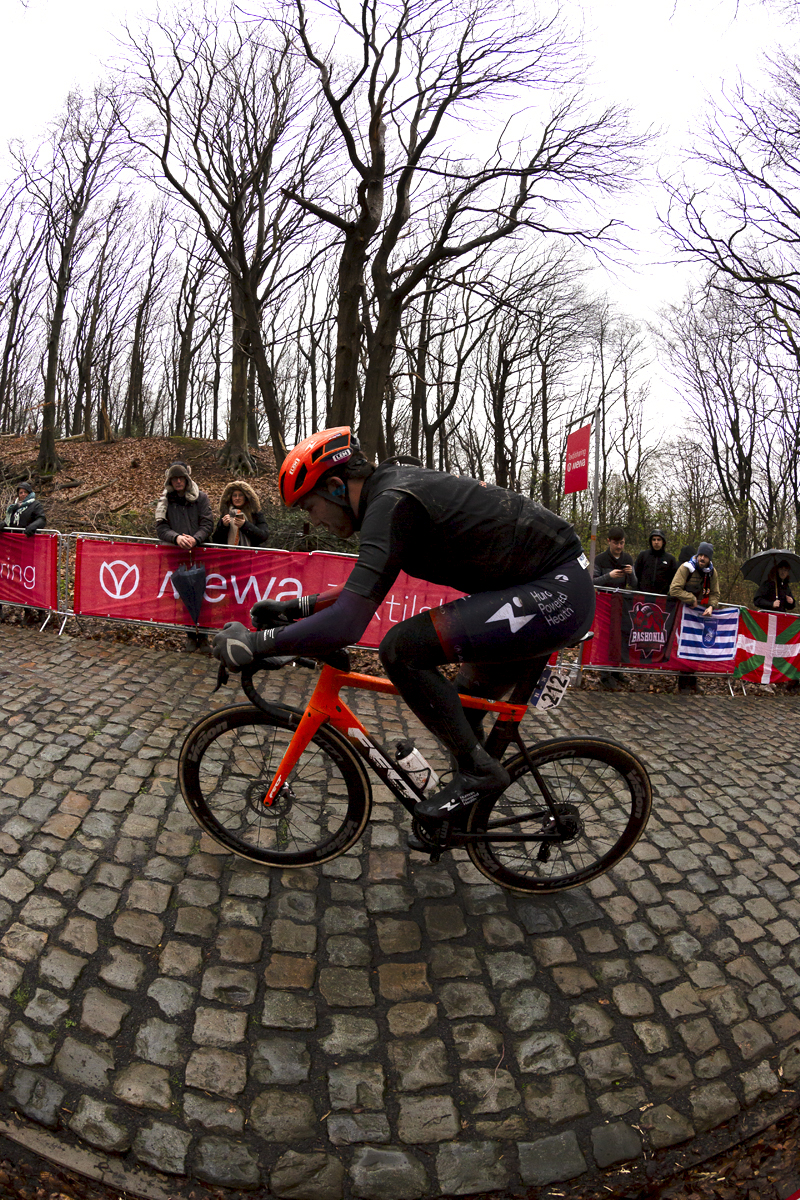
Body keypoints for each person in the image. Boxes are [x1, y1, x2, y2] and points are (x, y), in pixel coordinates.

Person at [212, 427, 595, 826]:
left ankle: (479, 772)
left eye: (310, 507)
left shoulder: (392, 501)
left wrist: (255, 644)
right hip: (541, 587)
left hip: (558, 589)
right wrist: (296, 607)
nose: (314, 521)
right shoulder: (390, 494)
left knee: (402, 649)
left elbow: (347, 623)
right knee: (461, 710)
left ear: (335, 486)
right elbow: (362, 586)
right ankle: (467, 816)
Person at [155, 462, 214, 652]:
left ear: (187, 479)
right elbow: (161, 528)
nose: (178, 481)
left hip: (200, 553)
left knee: (203, 595)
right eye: (174, 478)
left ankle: (203, 637)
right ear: (170, 480)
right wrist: (176, 537)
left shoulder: (201, 498)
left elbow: (207, 523)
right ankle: (190, 635)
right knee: (184, 596)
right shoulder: (165, 501)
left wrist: (196, 539)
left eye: (181, 478)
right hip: (177, 554)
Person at [668, 541, 720, 694]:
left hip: (700, 615)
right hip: (683, 611)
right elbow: (674, 589)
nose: (702, 558)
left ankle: (693, 681)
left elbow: (715, 593)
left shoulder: (712, 572)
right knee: (684, 646)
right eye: (700, 555)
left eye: (705, 556)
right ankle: (682, 683)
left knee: (696, 647)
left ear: (710, 558)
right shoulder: (686, 568)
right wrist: (690, 598)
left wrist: (711, 606)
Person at [592, 527, 637, 691]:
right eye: (616, 543)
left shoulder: (628, 558)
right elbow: (593, 581)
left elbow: (635, 584)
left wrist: (631, 573)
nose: (619, 546)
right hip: (605, 604)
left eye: (622, 543)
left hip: (622, 604)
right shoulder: (600, 559)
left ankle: (617, 670)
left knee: (621, 636)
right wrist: (609, 576)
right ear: (609, 541)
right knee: (605, 637)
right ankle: (605, 674)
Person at [0, 482, 47, 625]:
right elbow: (8, 522)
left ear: (29, 492)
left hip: (29, 547)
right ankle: (13, 609)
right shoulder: (13, 508)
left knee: (28, 579)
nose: (22, 495)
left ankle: (35, 611)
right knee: (10, 578)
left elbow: (42, 519)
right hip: (13, 548)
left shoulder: (35, 505)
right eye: (20, 492)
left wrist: (33, 526)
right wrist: (2, 525)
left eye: (25, 492)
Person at [211, 481, 270, 548]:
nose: (237, 498)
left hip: (251, 555)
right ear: (231, 498)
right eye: (234, 495)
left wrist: (245, 525)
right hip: (230, 555)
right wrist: (223, 526)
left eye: (240, 495)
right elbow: (216, 540)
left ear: (246, 497)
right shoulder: (226, 513)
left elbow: (263, 536)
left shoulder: (255, 513)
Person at [634, 529, 678, 596]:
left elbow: (673, 579)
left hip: (662, 597)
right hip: (644, 594)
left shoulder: (670, 559)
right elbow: (636, 574)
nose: (656, 542)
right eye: (654, 540)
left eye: (659, 539)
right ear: (651, 541)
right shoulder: (643, 555)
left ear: (663, 541)